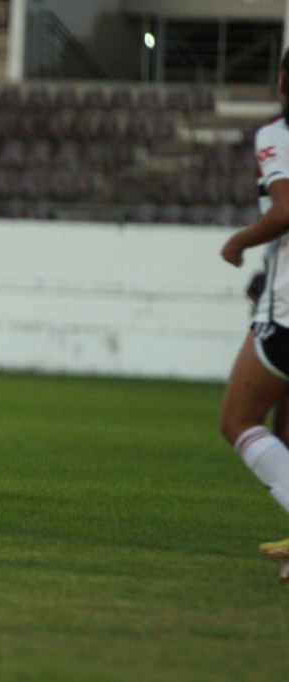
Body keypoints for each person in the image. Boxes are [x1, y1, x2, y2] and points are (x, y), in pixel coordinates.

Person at [219, 50, 289, 583]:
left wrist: (240, 241)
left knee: (239, 420)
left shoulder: (278, 134)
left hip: (288, 308)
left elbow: (286, 209)